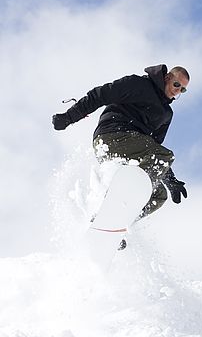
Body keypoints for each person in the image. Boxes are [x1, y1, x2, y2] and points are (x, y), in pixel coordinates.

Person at [52, 64, 189, 224]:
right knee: (165, 156)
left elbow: (154, 147)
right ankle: (124, 195)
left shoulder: (166, 114)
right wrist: (69, 117)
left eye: (182, 90)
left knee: (158, 195)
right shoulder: (140, 85)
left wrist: (170, 180)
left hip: (132, 150)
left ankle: (119, 225)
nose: (177, 90)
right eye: (176, 84)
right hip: (112, 137)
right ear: (167, 78)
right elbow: (101, 94)